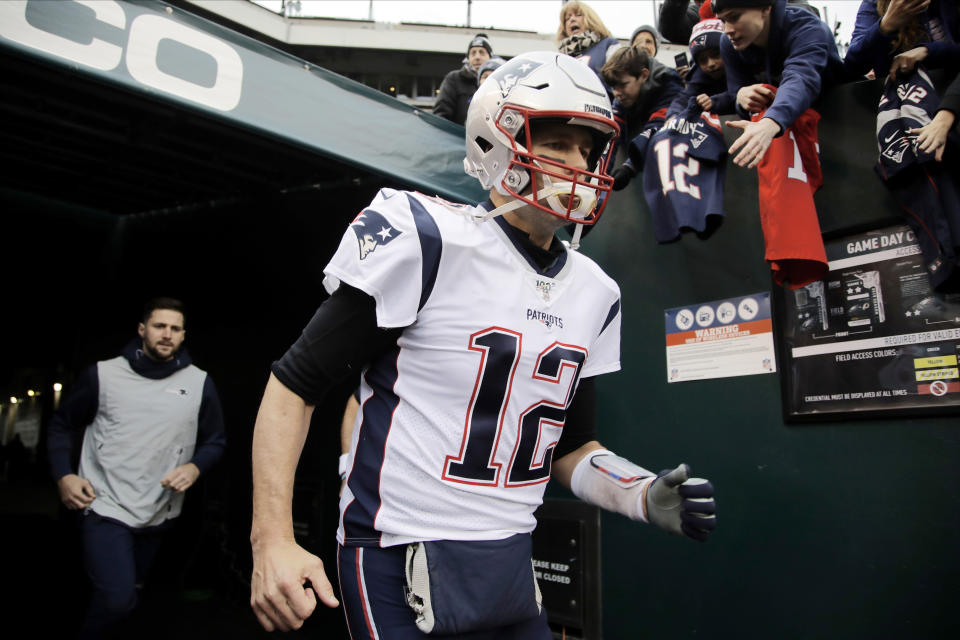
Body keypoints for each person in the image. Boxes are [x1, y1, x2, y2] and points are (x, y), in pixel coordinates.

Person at [249, 51, 717, 638]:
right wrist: (272, 537)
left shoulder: (595, 291)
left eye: (587, 148)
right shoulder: (428, 239)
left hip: (510, 556)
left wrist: (639, 495)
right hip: (398, 550)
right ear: (496, 144)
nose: (579, 163)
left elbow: (570, 448)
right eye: (556, 145)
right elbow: (295, 383)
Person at [47, 297, 226, 639]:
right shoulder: (104, 374)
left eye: (175, 329)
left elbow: (215, 440)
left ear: (183, 335)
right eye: (159, 326)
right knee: (117, 600)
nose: (167, 334)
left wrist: (194, 468)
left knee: (131, 596)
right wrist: (64, 475)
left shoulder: (199, 382)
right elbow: (61, 425)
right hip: (103, 504)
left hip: (158, 511)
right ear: (143, 329)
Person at [717, 0, 847, 289]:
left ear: (765, 7)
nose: (727, 29)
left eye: (735, 17)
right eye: (722, 20)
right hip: (783, 150)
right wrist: (740, 96)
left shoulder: (807, 27)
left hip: (839, 135)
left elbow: (801, 76)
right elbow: (735, 90)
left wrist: (771, 122)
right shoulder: (730, 44)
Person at [600, 45, 685, 190]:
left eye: (622, 85)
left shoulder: (668, 85)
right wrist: (597, 178)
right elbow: (612, 135)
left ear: (644, 75)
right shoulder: (622, 96)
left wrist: (629, 167)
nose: (617, 93)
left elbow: (656, 129)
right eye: (613, 87)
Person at [844, 0, 959, 82]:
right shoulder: (874, 4)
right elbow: (853, 65)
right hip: (906, 105)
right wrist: (885, 26)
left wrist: (928, 51)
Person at [667, 18, 736, 116]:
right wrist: (672, 117)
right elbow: (682, 100)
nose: (711, 64)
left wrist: (715, 101)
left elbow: (739, 92)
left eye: (716, 55)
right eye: (703, 60)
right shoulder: (698, 79)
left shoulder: (744, 66)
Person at [557, 1, 623, 90]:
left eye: (578, 15)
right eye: (567, 19)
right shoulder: (560, 57)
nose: (572, 19)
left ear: (591, 19)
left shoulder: (608, 44)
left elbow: (619, 80)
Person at [434, 33, 493, 125]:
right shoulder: (453, 79)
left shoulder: (498, 82)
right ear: (468, 58)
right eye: (473, 53)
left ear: (490, 57)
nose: (477, 57)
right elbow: (441, 114)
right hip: (457, 137)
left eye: (482, 52)